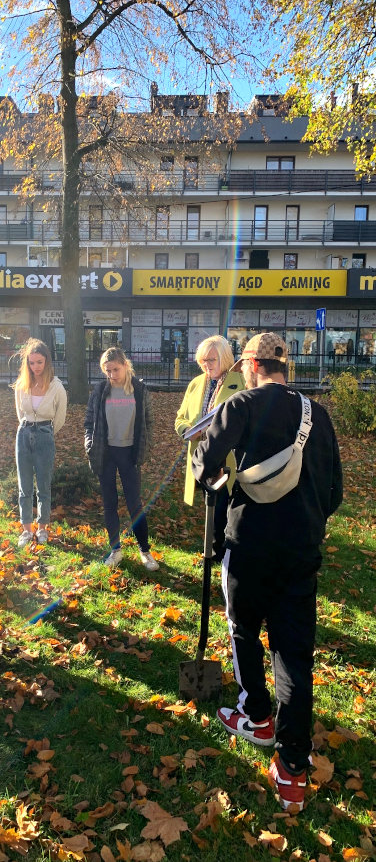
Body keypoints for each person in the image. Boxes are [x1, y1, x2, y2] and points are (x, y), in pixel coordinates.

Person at [191, 333, 343, 812]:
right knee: (295, 656)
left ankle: (256, 714)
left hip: (249, 545)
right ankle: (294, 768)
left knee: (243, 630)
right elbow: (335, 490)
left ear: (252, 364)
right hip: (302, 550)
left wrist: (204, 462)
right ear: (286, 366)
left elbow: (204, 468)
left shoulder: (239, 406)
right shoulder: (319, 415)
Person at [84, 346, 157, 571]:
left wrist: (145, 446)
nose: (112, 375)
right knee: (109, 503)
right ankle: (115, 550)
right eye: (107, 371)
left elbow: (149, 422)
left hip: (129, 453)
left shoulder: (139, 390)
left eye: (115, 369)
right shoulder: (100, 391)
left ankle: (145, 551)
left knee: (135, 503)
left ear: (125, 365)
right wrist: (89, 444)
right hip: (105, 453)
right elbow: (89, 422)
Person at [174, 335, 245, 560]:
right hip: (202, 454)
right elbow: (180, 418)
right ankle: (213, 549)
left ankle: (221, 552)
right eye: (203, 360)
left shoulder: (240, 382)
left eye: (211, 360)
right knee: (211, 505)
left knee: (226, 504)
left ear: (224, 358)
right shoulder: (196, 383)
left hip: (229, 456)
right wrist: (187, 430)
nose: (206, 365)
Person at [13, 339, 67, 548]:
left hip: (45, 434)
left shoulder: (57, 387)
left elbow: (60, 417)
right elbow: (20, 412)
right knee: (24, 485)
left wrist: (46, 432)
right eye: (32, 362)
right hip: (24, 433)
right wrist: (28, 428)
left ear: (47, 362)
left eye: (39, 362)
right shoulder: (21, 385)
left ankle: (42, 527)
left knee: (43, 485)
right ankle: (26, 529)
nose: (35, 367)